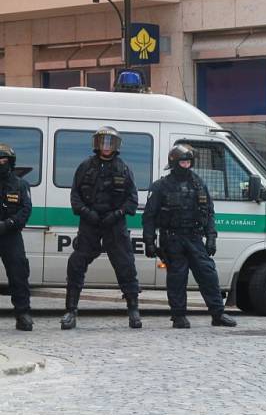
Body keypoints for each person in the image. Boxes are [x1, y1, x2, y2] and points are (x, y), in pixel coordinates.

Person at [142, 144, 237, 329]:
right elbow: (149, 216)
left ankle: (217, 314)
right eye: (182, 162)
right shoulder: (161, 186)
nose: (186, 165)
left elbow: (209, 212)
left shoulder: (198, 183)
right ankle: (178, 316)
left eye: (188, 162)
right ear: (174, 163)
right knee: (177, 277)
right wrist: (149, 241)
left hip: (194, 237)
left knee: (208, 273)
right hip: (172, 238)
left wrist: (211, 237)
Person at [62, 127, 141, 330]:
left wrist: (117, 214)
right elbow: (75, 197)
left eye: (110, 143)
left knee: (126, 265)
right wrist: (89, 213)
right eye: (103, 142)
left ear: (116, 146)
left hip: (115, 225)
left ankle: (133, 310)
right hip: (90, 224)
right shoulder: (85, 167)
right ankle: (70, 310)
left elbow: (132, 200)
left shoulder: (123, 168)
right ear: (97, 144)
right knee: (76, 264)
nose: (106, 147)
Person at [0, 144, 34, 331]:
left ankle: (23, 313)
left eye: (3, 160)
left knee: (18, 274)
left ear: (11, 162)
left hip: (11, 235)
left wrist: (9, 224)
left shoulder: (21, 184)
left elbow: (26, 210)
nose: (0, 163)